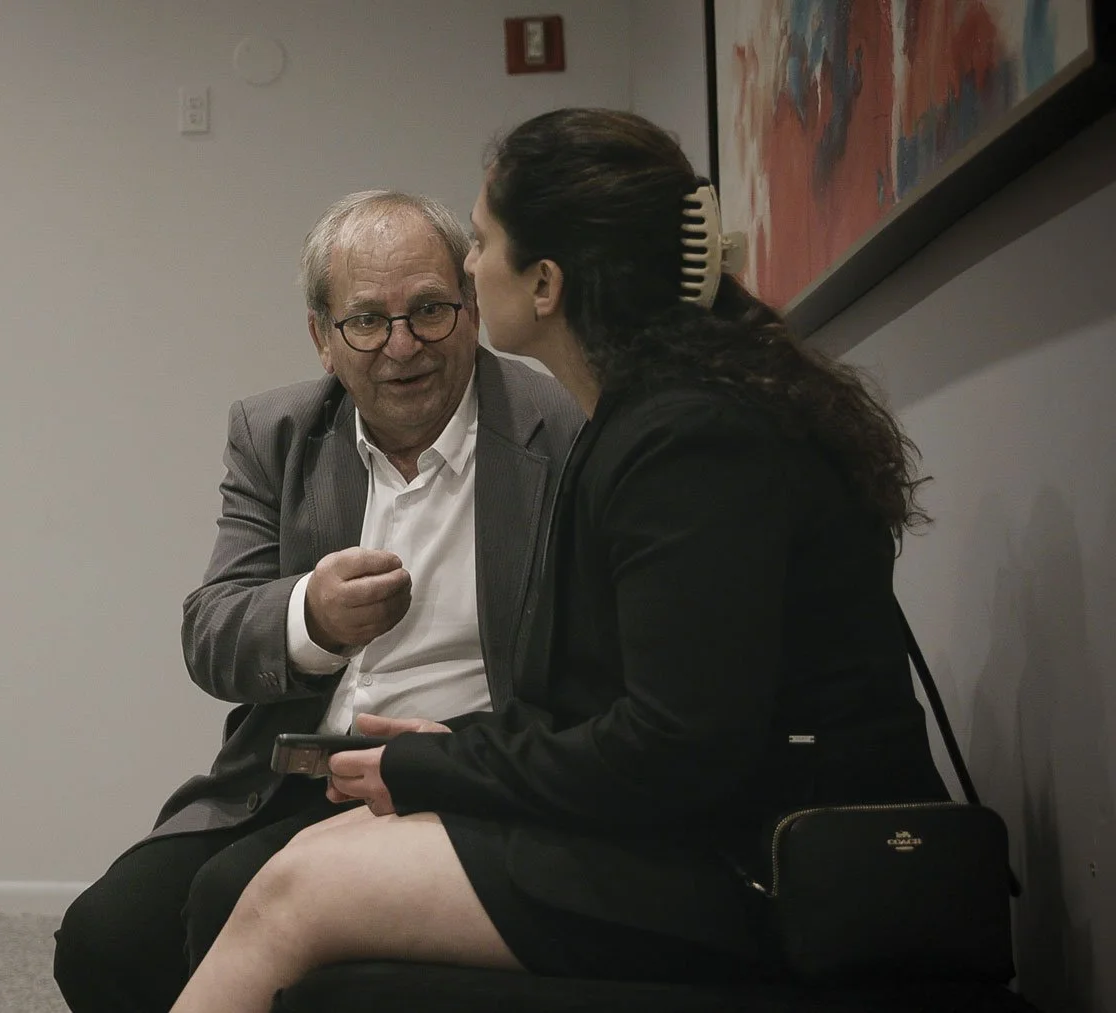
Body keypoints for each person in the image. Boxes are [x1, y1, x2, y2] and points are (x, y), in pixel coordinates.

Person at [169, 109, 951, 1011]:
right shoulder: (653, 415)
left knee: (293, 893)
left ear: (544, 283)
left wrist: (438, 767)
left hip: (758, 866)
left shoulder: (689, 440)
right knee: (294, 862)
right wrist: (455, 749)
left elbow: (674, 750)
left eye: (482, 241)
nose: (468, 267)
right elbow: (626, 713)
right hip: (693, 828)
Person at [54, 191, 583, 1013]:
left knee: (230, 899)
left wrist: (470, 757)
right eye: (366, 321)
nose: (401, 346)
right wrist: (311, 617)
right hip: (295, 776)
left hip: (461, 778)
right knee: (106, 937)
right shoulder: (277, 433)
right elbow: (212, 634)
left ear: (472, 308)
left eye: (429, 310)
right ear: (323, 339)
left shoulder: (560, 428)